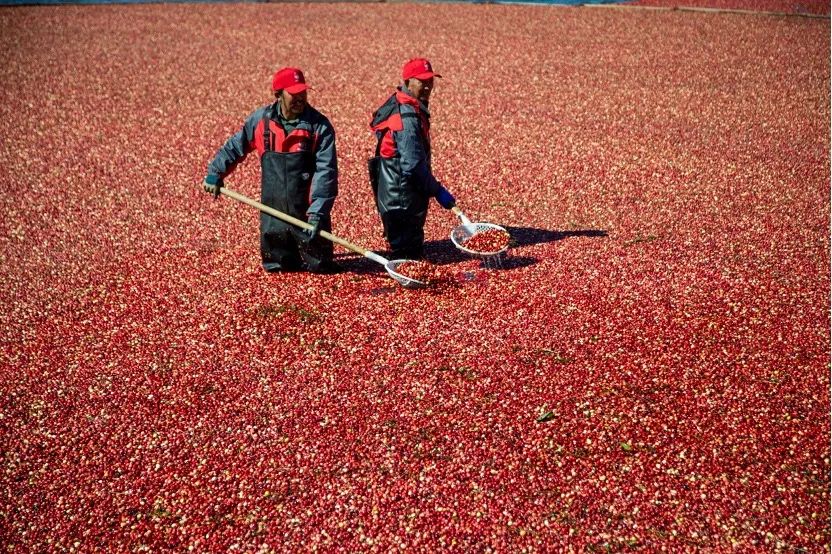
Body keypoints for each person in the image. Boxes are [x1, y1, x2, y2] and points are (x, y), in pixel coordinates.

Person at [203, 67, 340, 273]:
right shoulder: (261, 122)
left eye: (303, 92)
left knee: (320, 267)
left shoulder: (319, 127)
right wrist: (216, 172)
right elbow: (235, 147)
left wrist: (317, 214)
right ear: (278, 95)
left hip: (307, 216)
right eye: (294, 94)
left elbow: (326, 173)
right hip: (272, 216)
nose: (301, 98)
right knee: (279, 270)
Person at [368, 57, 457, 260]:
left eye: (430, 81)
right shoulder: (406, 118)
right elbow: (412, 165)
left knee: (405, 245)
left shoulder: (403, 103)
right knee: (407, 254)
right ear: (408, 82)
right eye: (421, 81)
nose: (427, 86)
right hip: (401, 195)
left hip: (397, 189)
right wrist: (437, 190)